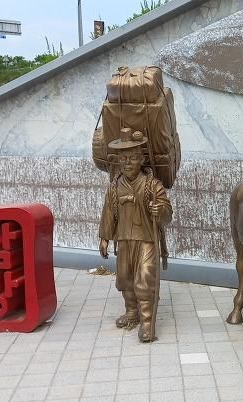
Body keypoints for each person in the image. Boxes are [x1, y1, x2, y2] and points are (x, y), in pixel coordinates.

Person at [99, 127, 172, 342]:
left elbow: (167, 212)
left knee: (145, 280)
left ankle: (148, 323)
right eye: (123, 159)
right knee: (125, 279)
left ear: (141, 160)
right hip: (124, 240)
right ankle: (132, 311)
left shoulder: (152, 185)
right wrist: (104, 237)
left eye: (132, 158)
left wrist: (161, 211)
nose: (127, 163)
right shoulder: (114, 187)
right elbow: (109, 213)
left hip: (146, 240)